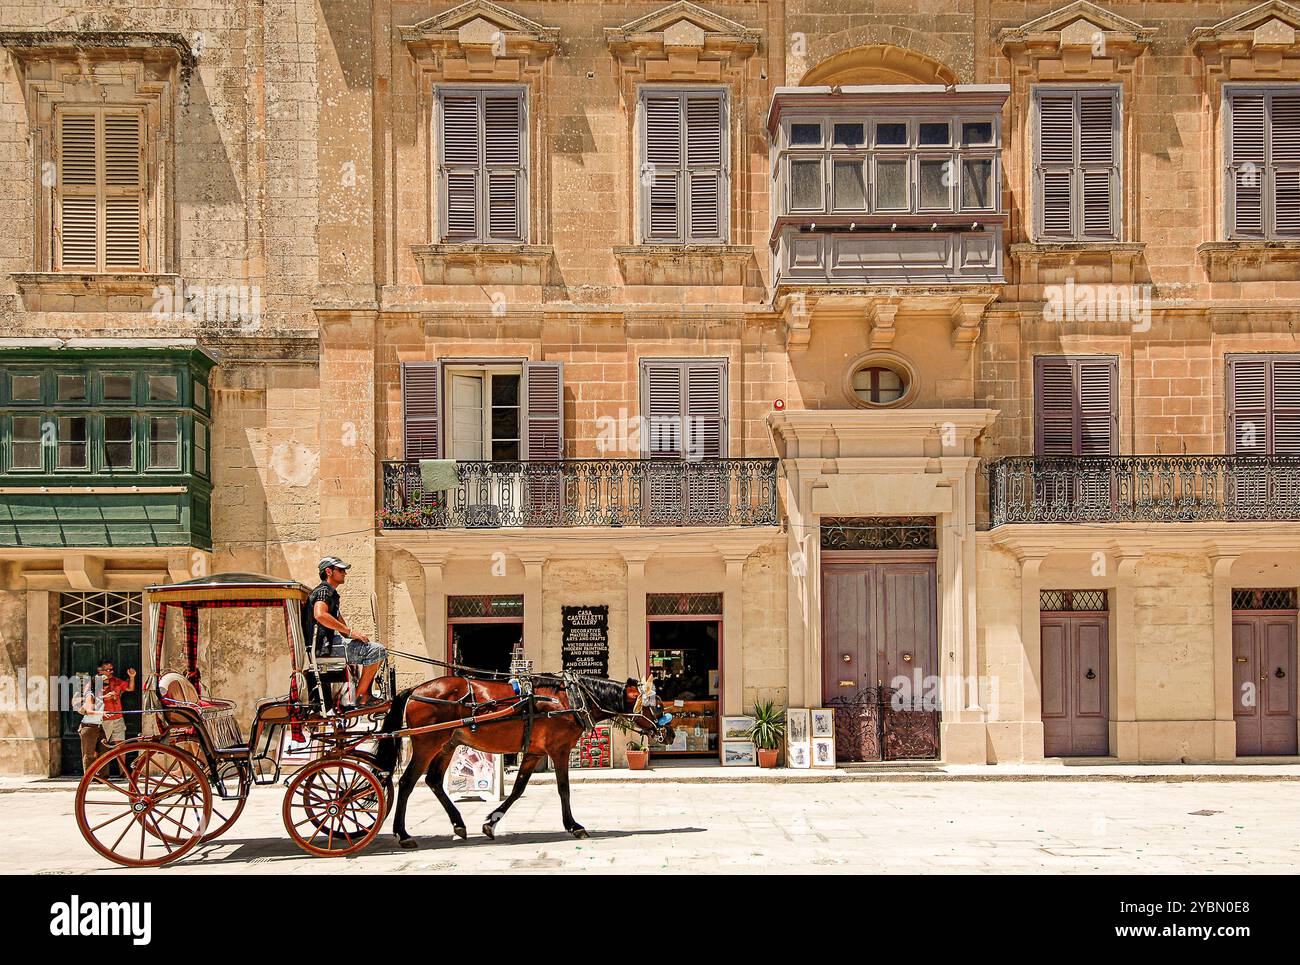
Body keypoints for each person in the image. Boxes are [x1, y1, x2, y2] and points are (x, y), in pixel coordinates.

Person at [303, 557, 388, 706]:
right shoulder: (324, 591)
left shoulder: (332, 595)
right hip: (325, 648)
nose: (344, 573)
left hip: (330, 645)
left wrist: (355, 635)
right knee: (378, 651)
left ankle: (361, 692)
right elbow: (320, 614)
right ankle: (361, 696)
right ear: (329, 571)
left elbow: (341, 628)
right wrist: (350, 632)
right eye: (341, 570)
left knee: (374, 648)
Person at [95, 659, 136, 746]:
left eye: (112, 669)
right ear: (100, 670)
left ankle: (122, 760)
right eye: (108, 670)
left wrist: (132, 677)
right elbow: (90, 700)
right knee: (102, 748)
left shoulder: (116, 681)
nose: (111, 672)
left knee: (120, 745)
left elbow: (130, 688)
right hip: (103, 720)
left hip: (118, 717)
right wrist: (105, 697)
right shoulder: (94, 682)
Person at [73, 674, 105, 773]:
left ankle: (102, 776)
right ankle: (90, 777)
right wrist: (102, 713)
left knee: (103, 751)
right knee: (89, 754)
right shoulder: (90, 695)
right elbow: (89, 711)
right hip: (89, 726)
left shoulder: (98, 695)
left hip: (98, 726)